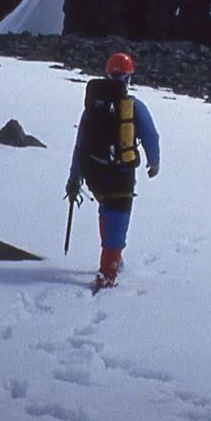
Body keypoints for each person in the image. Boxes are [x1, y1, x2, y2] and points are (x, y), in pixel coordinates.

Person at [66, 51, 160, 287]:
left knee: (106, 209)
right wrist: (154, 163)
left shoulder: (92, 107)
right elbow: (151, 135)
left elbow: (80, 145)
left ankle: (111, 257)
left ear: (107, 74)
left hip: (94, 174)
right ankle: (109, 271)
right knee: (118, 217)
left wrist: (74, 178)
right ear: (129, 78)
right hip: (121, 174)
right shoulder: (134, 107)